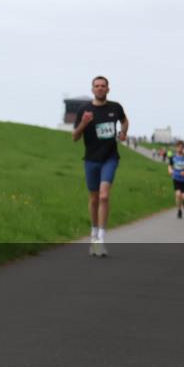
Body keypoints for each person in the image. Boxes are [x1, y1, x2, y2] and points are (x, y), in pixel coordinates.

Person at [72, 75, 129, 257]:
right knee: (94, 198)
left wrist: (123, 132)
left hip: (110, 158)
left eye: (103, 86)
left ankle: (101, 239)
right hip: (91, 159)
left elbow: (125, 120)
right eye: (97, 86)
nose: (100, 88)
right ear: (92, 89)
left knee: (104, 196)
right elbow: (75, 137)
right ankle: (94, 233)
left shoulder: (115, 107)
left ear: (108, 89)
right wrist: (84, 123)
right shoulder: (84, 110)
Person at [169, 140, 184, 218]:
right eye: (178, 147)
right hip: (176, 178)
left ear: (183, 148)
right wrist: (170, 170)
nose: (180, 149)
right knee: (178, 194)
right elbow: (170, 166)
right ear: (176, 148)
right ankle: (179, 210)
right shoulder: (173, 157)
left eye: (181, 147)